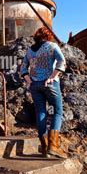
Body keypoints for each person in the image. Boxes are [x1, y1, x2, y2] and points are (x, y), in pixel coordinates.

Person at [20, 27, 67, 159]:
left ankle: (45, 147)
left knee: (40, 112)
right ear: (48, 36)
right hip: (50, 83)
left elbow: (23, 68)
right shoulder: (52, 46)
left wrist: (29, 80)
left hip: (35, 85)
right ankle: (53, 146)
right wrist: (52, 76)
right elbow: (62, 61)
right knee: (57, 111)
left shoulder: (30, 51)